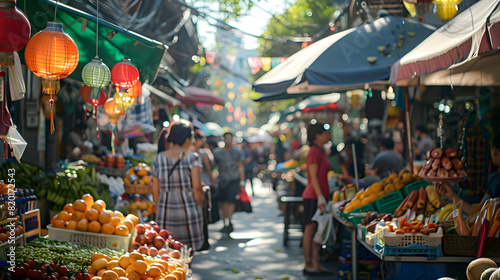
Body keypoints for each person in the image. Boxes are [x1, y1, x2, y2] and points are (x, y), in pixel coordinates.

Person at [151, 120, 205, 252]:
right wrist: (201, 206)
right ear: (187, 139)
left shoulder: (159, 158)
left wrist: (160, 208)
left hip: (165, 213)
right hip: (188, 212)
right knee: (187, 252)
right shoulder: (192, 158)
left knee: (168, 253)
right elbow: (197, 188)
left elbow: (155, 191)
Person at [437, 132, 500, 215]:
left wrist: (452, 196)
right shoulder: (494, 179)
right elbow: (478, 214)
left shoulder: (495, 180)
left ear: (494, 151)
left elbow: (477, 215)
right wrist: (451, 195)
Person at [301, 121, 334, 277]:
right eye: (325, 132)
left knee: (315, 231)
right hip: (313, 196)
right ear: (317, 136)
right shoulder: (314, 151)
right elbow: (312, 176)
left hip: (318, 196)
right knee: (310, 229)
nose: (328, 135)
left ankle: (315, 263)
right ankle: (308, 264)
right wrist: (320, 197)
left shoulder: (319, 151)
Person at [213, 130, 245, 233]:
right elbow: (214, 167)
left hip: (234, 179)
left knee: (231, 199)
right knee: (223, 201)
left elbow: (240, 166)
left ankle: (229, 220)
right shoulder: (217, 152)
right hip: (222, 180)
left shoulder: (237, 151)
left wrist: (242, 181)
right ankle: (224, 221)